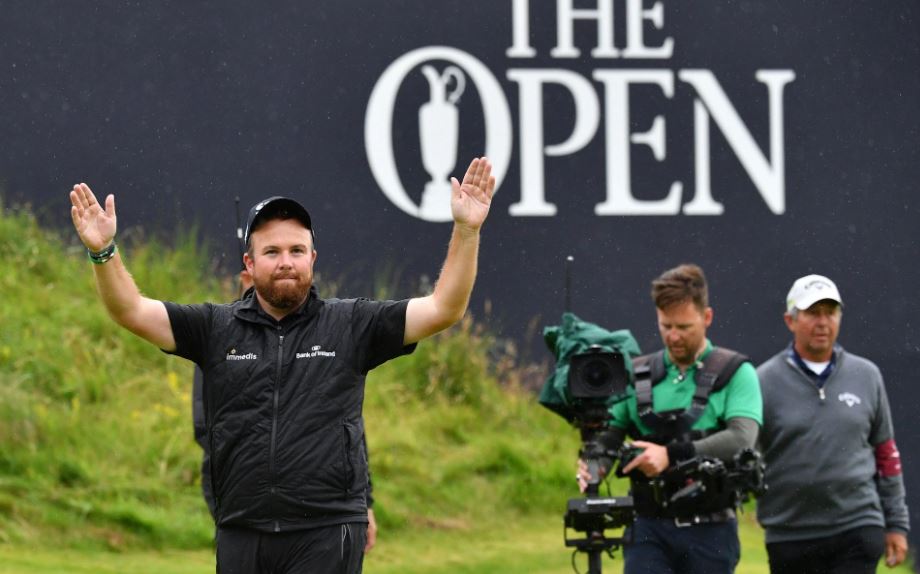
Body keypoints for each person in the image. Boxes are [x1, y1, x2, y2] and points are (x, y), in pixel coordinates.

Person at [69, 156, 494, 574]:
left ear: (313, 258)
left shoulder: (351, 323)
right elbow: (130, 311)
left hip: (326, 528)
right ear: (250, 266)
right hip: (241, 528)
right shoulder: (215, 327)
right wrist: (103, 251)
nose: (286, 261)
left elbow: (444, 309)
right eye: (271, 252)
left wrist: (467, 229)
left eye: (296, 250)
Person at [578, 263, 762, 574]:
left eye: (684, 327)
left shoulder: (737, 373)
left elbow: (741, 438)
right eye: (666, 326)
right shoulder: (639, 375)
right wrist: (594, 467)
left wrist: (670, 455)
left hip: (710, 530)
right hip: (648, 528)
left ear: (707, 318)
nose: (673, 336)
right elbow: (611, 435)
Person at [190, 270, 379, 553]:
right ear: (247, 274)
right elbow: (205, 423)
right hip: (241, 500)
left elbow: (348, 429)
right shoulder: (219, 334)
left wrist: (366, 502)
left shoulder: (326, 335)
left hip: (320, 516)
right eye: (270, 258)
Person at [756, 274, 910, 572]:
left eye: (831, 312)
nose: (823, 322)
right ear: (790, 320)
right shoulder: (763, 381)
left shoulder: (867, 375)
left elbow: (886, 454)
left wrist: (896, 525)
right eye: (813, 313)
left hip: (856, 525)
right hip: (790, 533)